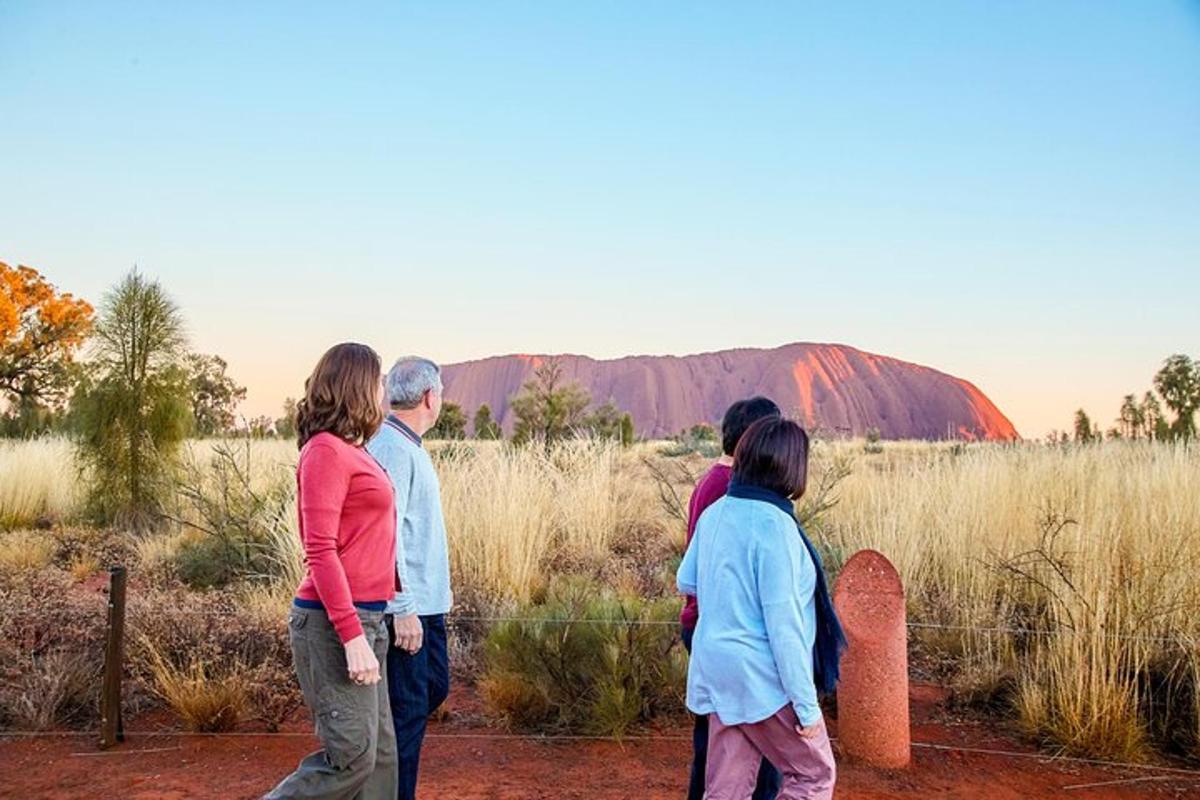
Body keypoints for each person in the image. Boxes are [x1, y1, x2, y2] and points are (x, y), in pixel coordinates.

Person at [677, 416, 846, 800]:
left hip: (716, 669)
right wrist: (806, 708)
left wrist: (729, 584)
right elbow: (784, 628)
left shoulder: (716, 513)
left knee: (726, 789)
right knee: (814, 776)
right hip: (760, 678)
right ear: (792, 466)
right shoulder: (777, 528)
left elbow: (686, 580)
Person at [266, 342, 399, 800]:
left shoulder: (353, 450)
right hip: (333, 622)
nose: (384, 392)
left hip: (370, 617)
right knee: (353, 756)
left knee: (380, 757)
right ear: (358, 385)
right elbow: (320, 550)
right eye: (379, 382)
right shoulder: (324, 451)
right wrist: (352, 636)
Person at [680, 397, 783, 800]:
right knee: (749, 756)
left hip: (712, 629)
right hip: (728, 634)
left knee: (717, 751)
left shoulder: (715, 482)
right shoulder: (730, 489)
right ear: (753, 441)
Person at [366, 356, 453, 800]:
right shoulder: (394, 449)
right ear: (429, 397)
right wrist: (401, 608)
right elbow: (385, 531)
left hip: (425, 605)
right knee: (407, 712)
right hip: (408, 610)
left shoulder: (403, 445)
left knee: (429, 691)